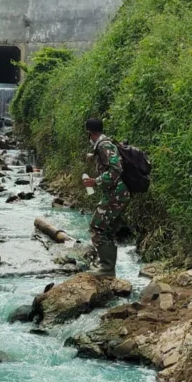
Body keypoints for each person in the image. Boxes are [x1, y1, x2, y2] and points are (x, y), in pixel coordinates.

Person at [81, 118, 129, 277]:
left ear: (90, 132)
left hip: (117, 193)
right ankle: (107, 267)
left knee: (97, 226)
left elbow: (116, 169)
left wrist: (96, 181)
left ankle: (106, 269)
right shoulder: (102, 145)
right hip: (117, 193)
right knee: (107, 229)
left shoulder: (104, 145)